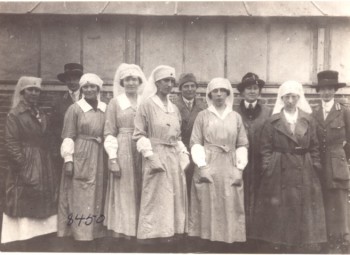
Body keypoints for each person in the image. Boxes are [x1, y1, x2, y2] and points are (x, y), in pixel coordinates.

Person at [252, 81, 327, 253]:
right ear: (282, 98)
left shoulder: (308, 120)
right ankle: (280, 242)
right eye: (287, 97)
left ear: (299, 98)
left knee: (303, 206)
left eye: (294, 97)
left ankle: (301, 243)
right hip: (279, 167)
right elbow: (266, 148)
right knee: (280, 207)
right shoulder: (273, 121)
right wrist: (268, 167)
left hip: (304, 167)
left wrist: (315, 165)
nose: (291, 101)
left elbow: (315, 146)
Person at [133, 65, 190, 252]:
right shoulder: (146, 105)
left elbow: (178, 136)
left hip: (173, 156)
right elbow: (139, 134)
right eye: (165, 80)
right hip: (156, 155)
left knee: (173, 197)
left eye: (172, 81)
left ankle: (170, 235)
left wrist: (183, 155)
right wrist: (150, 156)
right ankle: (152, 238)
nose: (169, 84)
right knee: (156, 196)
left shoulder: (174, 108)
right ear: (157, 83)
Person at [189, 77, 249, 252]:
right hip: (209, 163)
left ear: (228, 94)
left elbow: (242, 144)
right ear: (210, 94)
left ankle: (228, 242)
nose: (219, 94)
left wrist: (240, 168)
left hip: (229, 163)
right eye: (215, 91)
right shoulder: (203, 116)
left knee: (230, 202)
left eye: (223, 91)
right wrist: (202, 166)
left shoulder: (235, 117)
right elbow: (195, 142)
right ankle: (208, 242)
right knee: (208, 202)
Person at [2, 77, 58, 249]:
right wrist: (23, 166)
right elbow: (11, 143)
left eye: (37, 90)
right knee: (25, 199)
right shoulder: (15, 114)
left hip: (42, 162)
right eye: (30, 90)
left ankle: (37, 240)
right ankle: (21, 240)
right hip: (26, 162)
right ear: (22, 92)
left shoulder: (39, 112)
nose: (34, 93)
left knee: (41, 201)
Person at [58, 73, 107, 246]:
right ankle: (80, 234)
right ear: (82, 89)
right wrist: (69, 160)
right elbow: (68, 136)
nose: (89, 90)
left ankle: (96, 231)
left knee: (98, 191)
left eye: (92, 86)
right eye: (85, 87)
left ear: (98, 88)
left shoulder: (104, 108)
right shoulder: (75, 109)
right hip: (81, 153)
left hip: (100, 154)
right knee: (81, 192)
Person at [103, 63, 146, 249]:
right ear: (122, 82)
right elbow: (109, 132)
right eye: (127, 79)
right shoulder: (115, 103)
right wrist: (113, 158)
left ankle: (142, 230)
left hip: (143, 148)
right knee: (125, 188)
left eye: (134, 79)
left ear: (139, 81)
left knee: (143, 187)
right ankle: (124, 232)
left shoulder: (145, 101)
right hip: (123, 147)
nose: (131, 83)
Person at [311, 70, 350, 253]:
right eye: (323, 89)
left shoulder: (344, 112)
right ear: (318, 92)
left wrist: (342, 158)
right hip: (319, 164)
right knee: (322, 201)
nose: (326, 93)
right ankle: (325, 239)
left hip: (337, 163)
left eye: (330, 89)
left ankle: (342, 239)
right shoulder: (313, 113)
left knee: (340, 202)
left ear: (335, 91)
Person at [233, 72, 272, 248]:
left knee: (259, 195)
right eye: (248, 88)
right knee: (238, 195)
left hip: (259, 161)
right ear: (242, 92)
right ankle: (238, 233)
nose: (252, 91)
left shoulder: (268, 112)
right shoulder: (233, 111)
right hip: (238, 161)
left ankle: (256, 235)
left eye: (255, 88)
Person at [174, 73, 205, 199]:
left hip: (197, 151)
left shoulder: (202, 106)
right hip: (180, 150)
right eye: (186, 86)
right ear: (180, 89)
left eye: (193, 86)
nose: (190, 89)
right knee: (181, 185)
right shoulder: (174, 106)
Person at [51, 63, 84, 177]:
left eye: (75, 78)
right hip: (65, 147)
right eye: (68, 79)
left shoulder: (88, 98)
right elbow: (54, 128)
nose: (72, 82)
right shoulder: (59, 102)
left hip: (85, 146)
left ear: (81, 80)